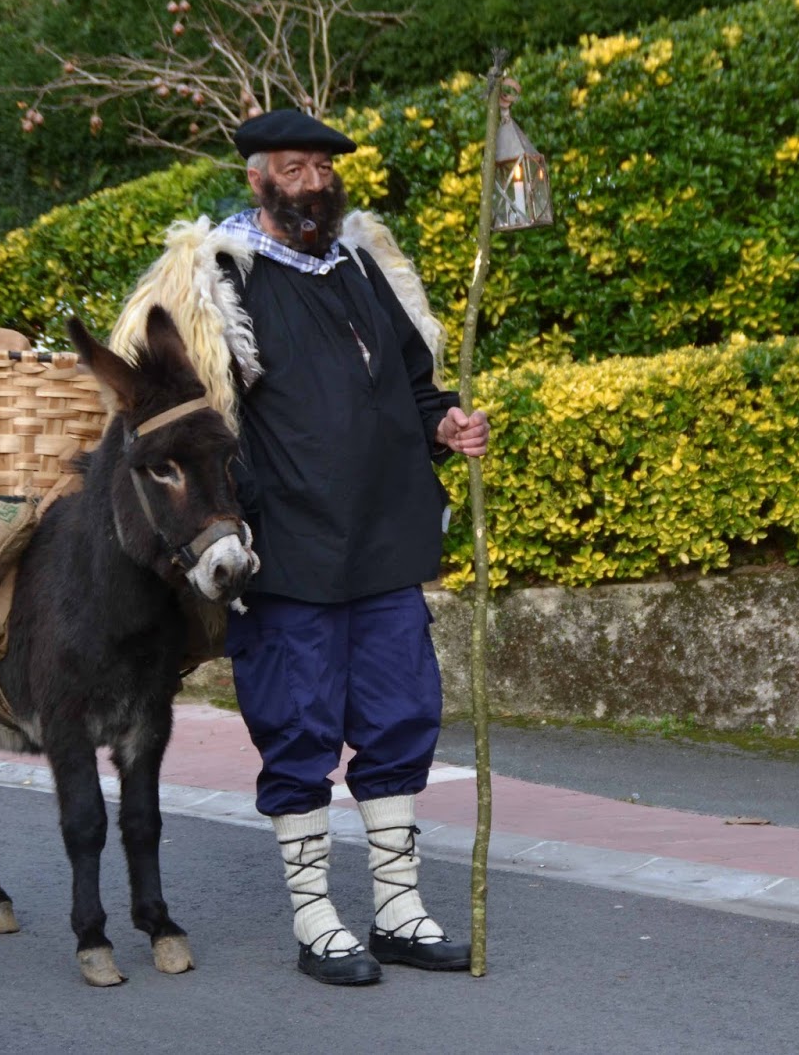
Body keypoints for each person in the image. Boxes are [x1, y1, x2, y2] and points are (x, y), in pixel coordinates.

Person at [203, 109, 488, 987]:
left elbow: (411, 381)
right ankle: (316, 918)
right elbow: (198, 418)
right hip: (288, 551)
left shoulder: (363, 263)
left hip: (385, 539)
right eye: (293, 169)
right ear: (257, 177)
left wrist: (445, 421)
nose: (313, 183)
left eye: (323, 170)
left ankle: (398, 910)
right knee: (299, 728)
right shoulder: (218, 276)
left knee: (402, 717)